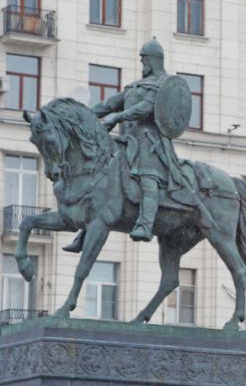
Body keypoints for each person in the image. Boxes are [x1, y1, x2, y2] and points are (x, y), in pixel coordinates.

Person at [64, 37, 197, 252]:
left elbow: (146, 108)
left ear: (153, 60)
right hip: (126, 140)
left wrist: (117, 117)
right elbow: (109, 104)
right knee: (101, 177)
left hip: (150, 141)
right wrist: (84, 115)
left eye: (144, 61)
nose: (142, 65)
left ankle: (145, 223)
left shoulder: (164, 83)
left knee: (147, 176)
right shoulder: (136, 85)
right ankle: (87, 228)